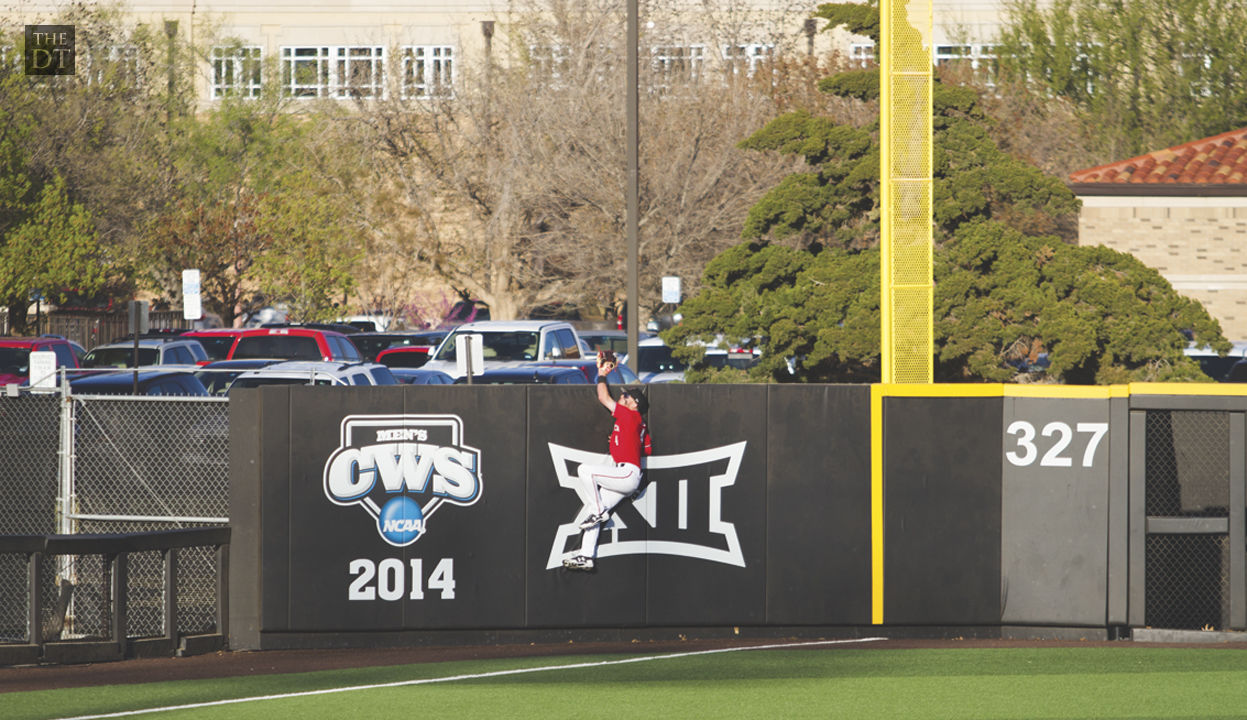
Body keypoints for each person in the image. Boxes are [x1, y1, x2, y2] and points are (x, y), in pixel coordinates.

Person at [563, 351, 651, 571]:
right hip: (628, 477)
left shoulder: (630, 416)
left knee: (585, 472)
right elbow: (646, 449)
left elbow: (603, 397)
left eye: (626, 397)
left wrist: (602, 374)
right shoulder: (636, 423)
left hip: (626, 474)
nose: (622, 398)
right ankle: (587, 556)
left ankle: (599, 512)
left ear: (634, 405)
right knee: (592, 513)